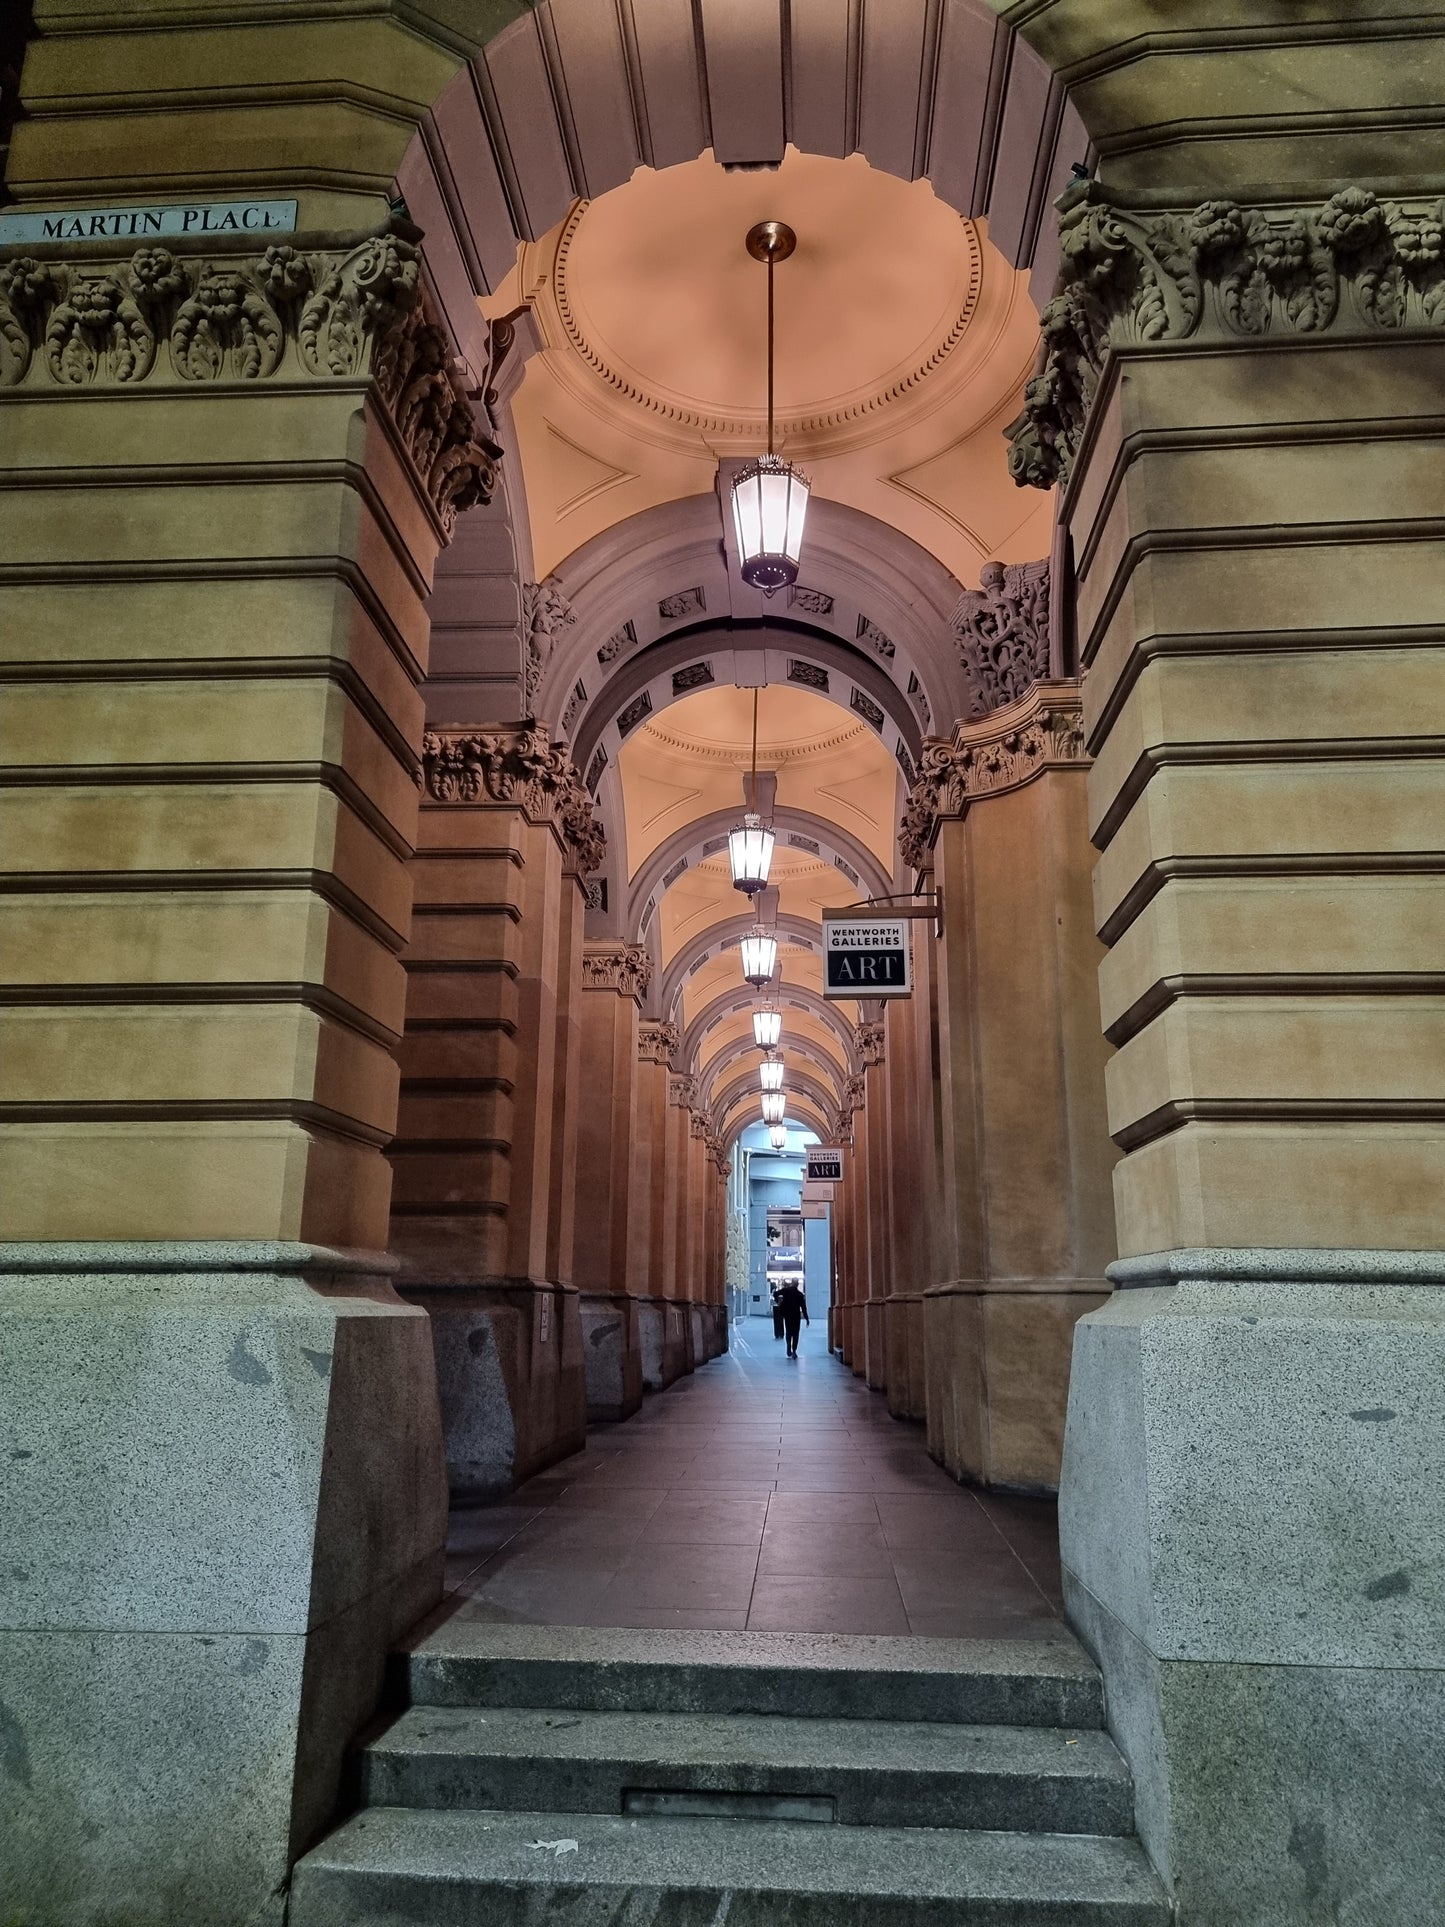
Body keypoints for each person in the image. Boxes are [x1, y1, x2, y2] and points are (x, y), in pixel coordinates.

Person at [778, 1280, 809, 1358]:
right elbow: (803, 1308)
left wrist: (779, 1304)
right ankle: (794, 1351)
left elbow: (776, 1293)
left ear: (792, 1283)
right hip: (796, 1317)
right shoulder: (799, 1295)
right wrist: (806, 1318)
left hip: (787, 1316)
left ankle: (788, 1347)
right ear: (797, 1284)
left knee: (788, 1332)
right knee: (795, 1334)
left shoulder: (786, 1292)